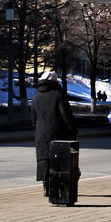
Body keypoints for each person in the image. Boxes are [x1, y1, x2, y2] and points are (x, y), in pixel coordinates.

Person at [31, 71, 77, 199]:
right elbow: (66, 115)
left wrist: (38, 130)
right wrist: (72, 129)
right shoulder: (59, 94)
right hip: (58, 132)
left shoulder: (36, 96)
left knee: (44, 159)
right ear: (54, 82)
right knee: (58, 160)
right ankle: (56, 187)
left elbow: (33, 119)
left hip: (41, 134)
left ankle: (46, 186)